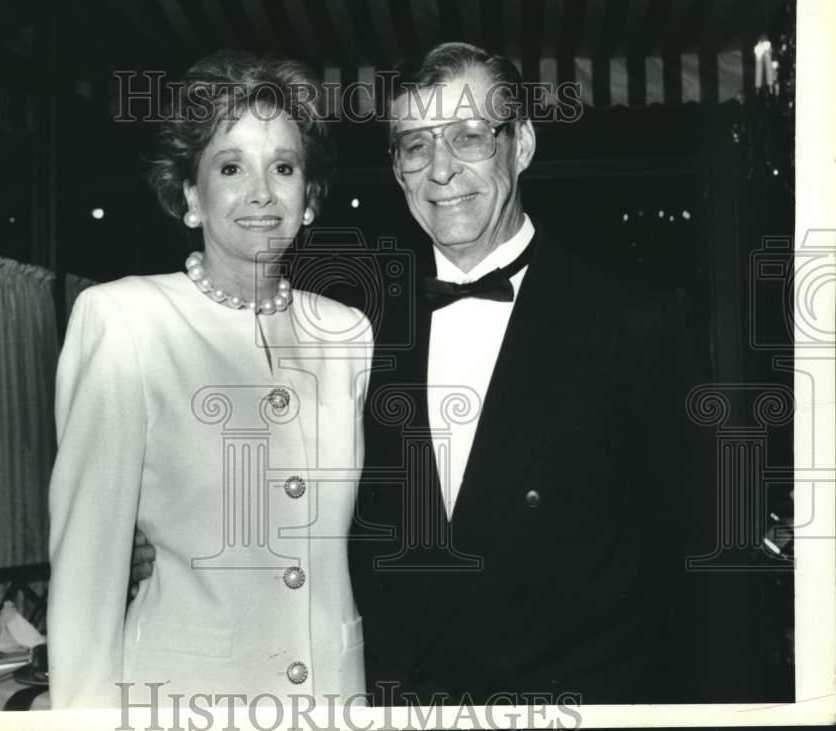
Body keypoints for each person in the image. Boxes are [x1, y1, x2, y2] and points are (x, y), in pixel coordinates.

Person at [131, 42, 708, 705]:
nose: (441, 170)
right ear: (397, 169)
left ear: (519, 145)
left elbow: (703, 579)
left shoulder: (637, 322)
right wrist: (158, 544)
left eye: (467, 136)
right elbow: (288, 505)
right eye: (414, 145)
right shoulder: (350, 331)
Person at [48, 50, 372, 709]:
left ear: (309, 198)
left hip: (331, 699)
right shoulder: (124, 320)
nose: (260, 191)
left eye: (283, 167)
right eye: (231, 167)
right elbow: (86, 579)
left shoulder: (349, 335)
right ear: (191, 195)